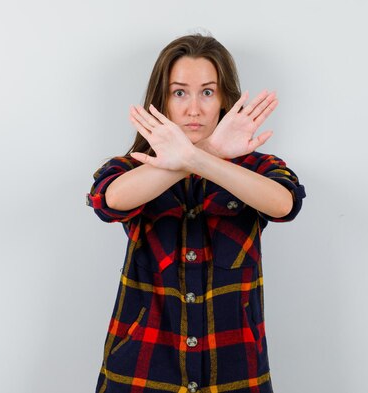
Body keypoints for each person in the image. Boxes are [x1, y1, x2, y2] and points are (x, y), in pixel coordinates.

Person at [85, 33, 306, 393]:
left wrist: (204, 156)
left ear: (224, 99)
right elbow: (108, 200)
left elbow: (284, 204)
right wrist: (208, 151)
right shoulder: (135, 166)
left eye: (207, 92)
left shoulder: (256, 167)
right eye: (179, 92)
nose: (194, 109)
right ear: (163, 100)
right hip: (143, 367)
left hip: (234, 371)